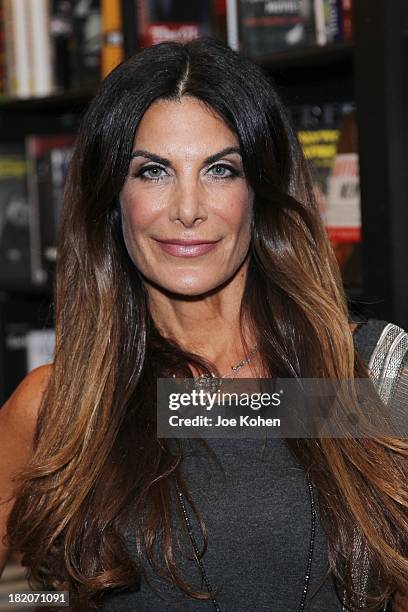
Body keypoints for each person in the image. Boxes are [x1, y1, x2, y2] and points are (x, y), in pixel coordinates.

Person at [0, 36, 408, 612]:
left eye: (220, 169)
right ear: (112, 198)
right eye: (153, 172)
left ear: (258, 192)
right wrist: (45, 603)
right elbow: (34, 595)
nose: (187, 208)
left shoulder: (365, 380)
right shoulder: (63, 407)